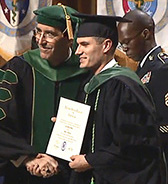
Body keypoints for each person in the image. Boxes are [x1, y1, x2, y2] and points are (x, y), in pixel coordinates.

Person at [0, 4, 88, 184]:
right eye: (38, 32)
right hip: (24, 176)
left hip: (74, 175)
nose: (40, 40)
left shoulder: (87, 73)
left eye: (50, 34)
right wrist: (27, 157)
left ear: (69, 38)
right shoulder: (18, 69)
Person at [65, 13, 166, 184]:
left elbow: (134, 146)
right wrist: (68, 125)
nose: (77, 51)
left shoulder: (122, 87)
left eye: (84, 45)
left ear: (106, 46)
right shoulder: (92, 85)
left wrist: (91, 160)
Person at [118, 9, 168, 168]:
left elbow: (165, 124)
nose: (124, 48)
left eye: (127, 42)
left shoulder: (162, 69)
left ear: (145, 34)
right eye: (121, 44)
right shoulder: (142, 68)